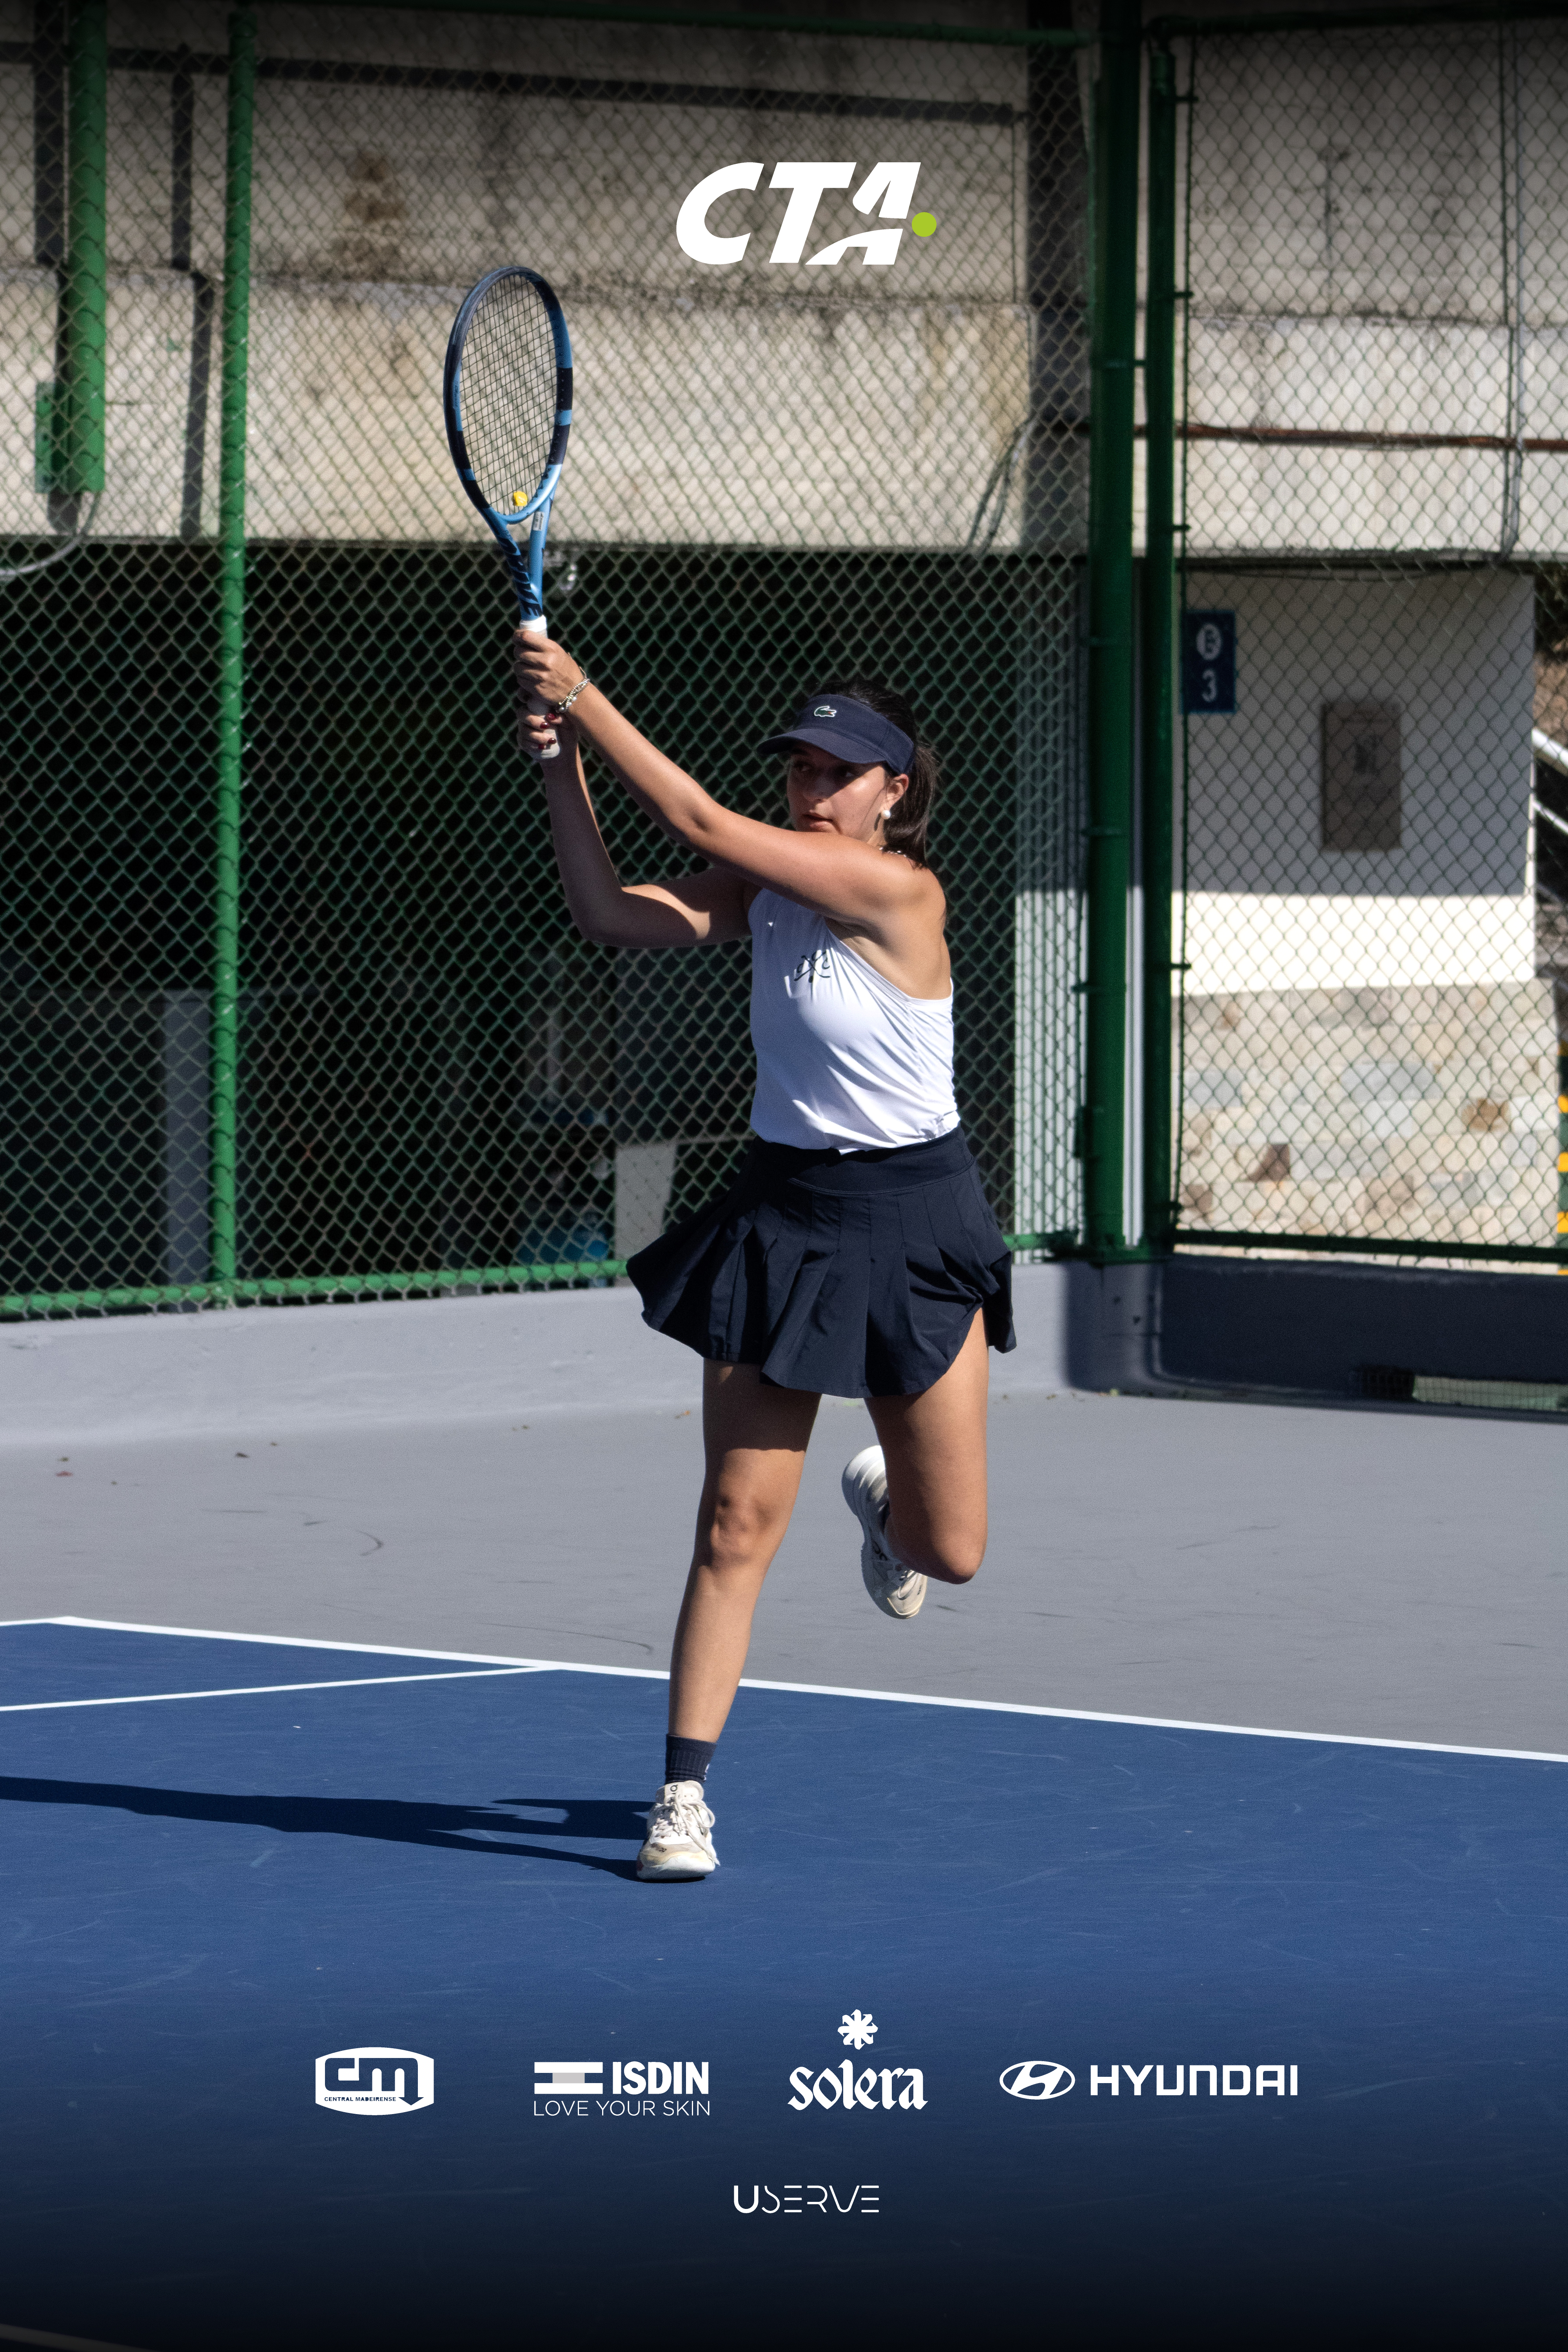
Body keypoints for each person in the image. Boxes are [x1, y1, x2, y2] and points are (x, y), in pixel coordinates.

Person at [513, 633, 1015, 1882]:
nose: (811, 788)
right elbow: (609, 912)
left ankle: (888, 1506)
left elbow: (691, 812)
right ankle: (681, 1797)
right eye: (798, 767)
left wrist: (584, 691)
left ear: (894, 790)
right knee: (735, 1520)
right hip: (782, 1216)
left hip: (915, 1222)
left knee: (951, 1551)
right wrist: (561, 763)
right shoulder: (769, 891)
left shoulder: (904, 895)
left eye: (838, 772)